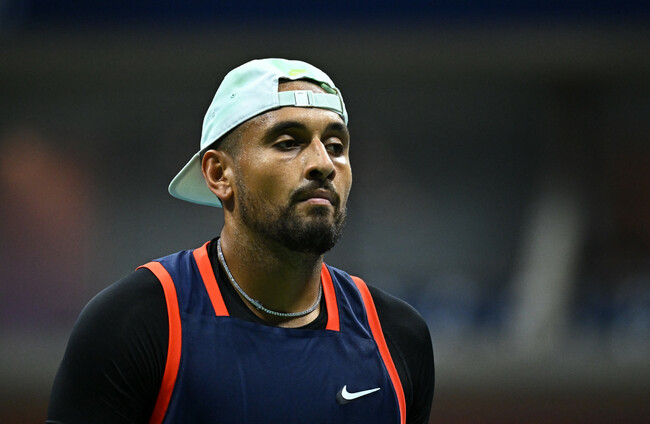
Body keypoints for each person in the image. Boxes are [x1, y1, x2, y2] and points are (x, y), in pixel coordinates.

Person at [46, 58, 434, 424]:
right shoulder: (135, 323)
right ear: (219, 174)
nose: (323, 164)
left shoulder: (398, 335)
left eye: (335, 146)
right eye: (288, 142)